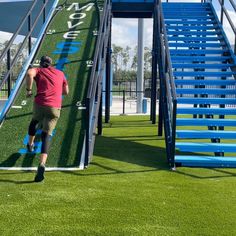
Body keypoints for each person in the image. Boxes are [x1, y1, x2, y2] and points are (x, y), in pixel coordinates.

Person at [26, 55, 69, 182]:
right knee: (46, 135)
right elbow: (66, 91)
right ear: (51, 64)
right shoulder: (60, 73)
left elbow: (29, 74)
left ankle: (30, 144)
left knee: (34, 121)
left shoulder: (38, 70)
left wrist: (29, 90)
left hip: (40, 103)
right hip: (55, 106)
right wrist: (55, 91)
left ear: (41, 63)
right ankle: (42, 163)